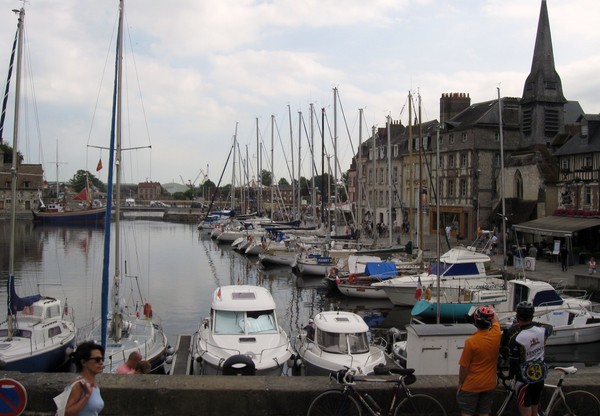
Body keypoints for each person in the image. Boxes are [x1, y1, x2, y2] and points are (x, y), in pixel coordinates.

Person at [500, 302, 553, 416]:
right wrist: (530, 324)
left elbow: (514, 363)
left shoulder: (516, 338)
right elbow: (550, 327)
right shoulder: (543, 330)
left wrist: (509, 376)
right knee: (535, 410)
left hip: (524, 380)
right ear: (532, 316)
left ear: (517, 316)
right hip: (539, 376)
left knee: (525, 410)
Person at [457, 306, 501, 416]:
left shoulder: (471, 342)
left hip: (471, 385)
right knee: (484, 413)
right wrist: (491, 309)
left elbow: (464, 367)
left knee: (467, 413)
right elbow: (496, 319)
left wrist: (460, 383)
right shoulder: (496, 335)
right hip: (489, 384)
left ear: (476, 321)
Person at [64, 340, 105, 416]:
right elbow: (67, 413)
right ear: (83, 362)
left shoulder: (94, 385)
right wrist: (86, 396)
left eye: (102, 359)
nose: (101, 362)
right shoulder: (79, 385)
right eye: (97, 360)